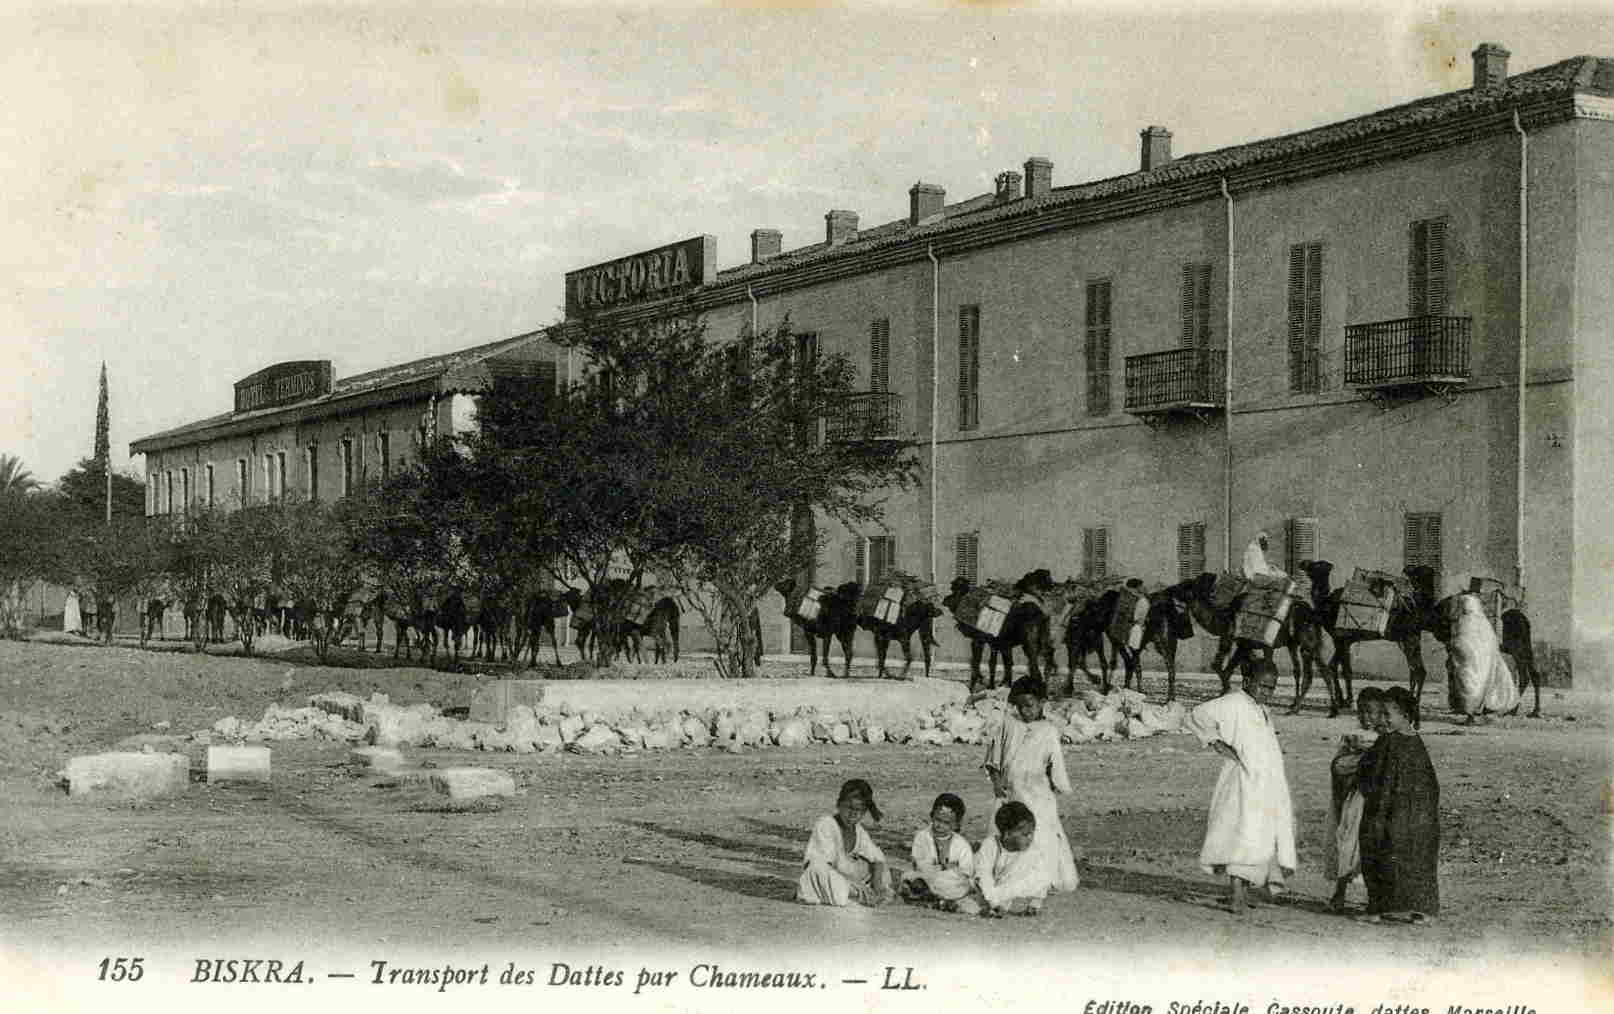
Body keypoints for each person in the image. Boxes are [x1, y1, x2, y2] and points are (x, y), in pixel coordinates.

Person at [1181, 659, 1298, 914]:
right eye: (1263, 686)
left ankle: (1243, 892)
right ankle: (1236, 895)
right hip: (1243, 783)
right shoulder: (1233, 703)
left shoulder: (1261, 710)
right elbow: (1196, 716)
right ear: (1247, 683)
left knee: (1258, 837)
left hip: (1265, 784)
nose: (1267, 692)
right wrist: (1216, 743)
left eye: (1272, 687)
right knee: (1241, 836)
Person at [981, 676, 1080, 896]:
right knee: (1006, 831)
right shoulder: (1008, 725)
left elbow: (1056, 763)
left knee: (1040, 833)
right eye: (1020, 706)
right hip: (1011, 791)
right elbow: (994, 757)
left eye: (1030, 706)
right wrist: (997, 782)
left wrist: (1058, 785)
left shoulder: (1049, 731)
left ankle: (1041, 879)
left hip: (1037, 792)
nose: (1025, 711)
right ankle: (1004, 874)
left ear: (1042, 702)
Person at [1357, 685, 1440, 924]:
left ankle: (1378, 909)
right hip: (1416, 817)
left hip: (1389, 813)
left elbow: (1370, 774)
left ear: (1405, 715)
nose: (1382, 720)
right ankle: (1419, 909)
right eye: (1380, 714)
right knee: (1415, 858)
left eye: (1387, 715)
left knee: (1378, 850)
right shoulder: (1415, 742)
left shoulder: (1389, 742)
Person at [1326, 687, 1385, 911]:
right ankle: (1339, 892)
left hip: (1372, 801)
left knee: (1370, 850)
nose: (1367, 717)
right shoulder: (1351, 736)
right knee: (1348, 843)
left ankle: (1374, 898)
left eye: (1372, 712)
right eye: (1362, 712)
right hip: (1352, 799)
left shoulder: (1384, 738)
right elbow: (1337, 766)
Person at [797, 778, 894, 907]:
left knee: (881, 870)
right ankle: (856, 895)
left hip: (849, 879)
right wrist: (853, 883)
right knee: (818, 869)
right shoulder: (826, 824)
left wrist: (876, 886)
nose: (852, 814)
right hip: (830, 877)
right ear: (839, 804)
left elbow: (877, 859)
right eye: (849, 807)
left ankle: (862, 895)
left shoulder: (859, 831)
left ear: (864, 812)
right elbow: (824, 864)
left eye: (858, 810)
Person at [899, 792, 981, 914]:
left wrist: (950, 872)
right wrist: (942, 867)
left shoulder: (961, 844)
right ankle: (942, 900)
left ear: (956, 824)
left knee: (960, 883)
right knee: (910, 878)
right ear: (932, 816)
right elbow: (919, 864)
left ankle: (937, 900)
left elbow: (967, 870)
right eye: (938, 820)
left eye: (946, 822)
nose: (940, 825)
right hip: (927, 877)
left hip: (951, 882)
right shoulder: (922, 837)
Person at [976, 801, 1047, 916]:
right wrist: (993, 901)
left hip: (1013, 891)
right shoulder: (990, 845)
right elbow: (984, 874)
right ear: (1007, 834)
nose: (1031, 838)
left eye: (1032, 833)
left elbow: (1038, 880)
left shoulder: (1031, 851)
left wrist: (1035, 901)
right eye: (1025, 834)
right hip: (992, 891)